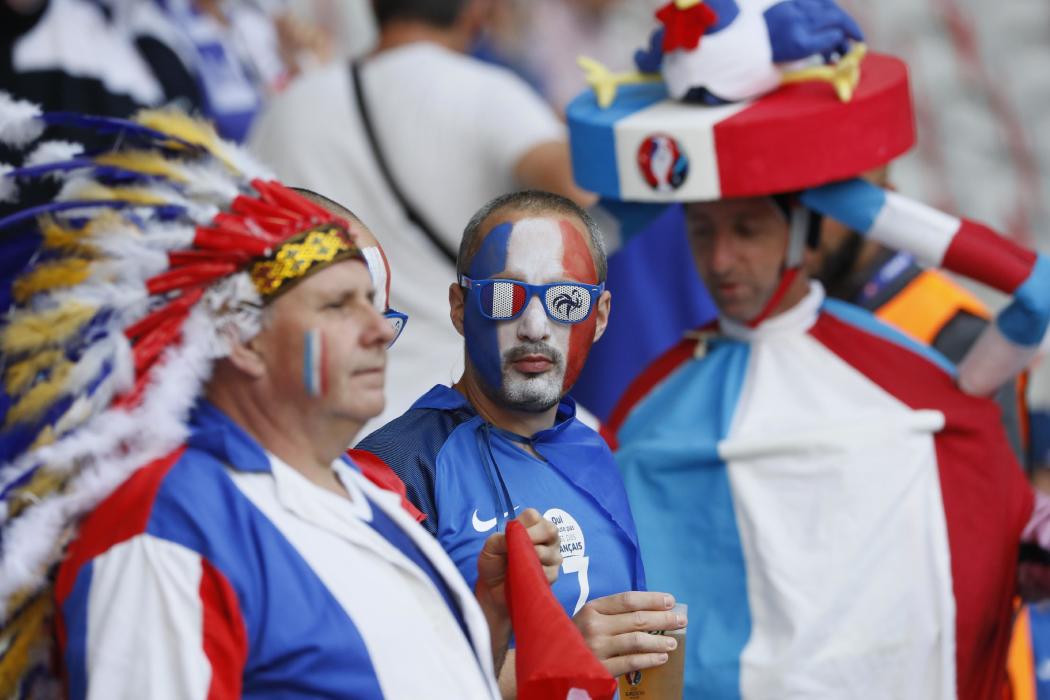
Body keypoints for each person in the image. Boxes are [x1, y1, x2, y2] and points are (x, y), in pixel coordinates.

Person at [566, 4, 1050, 697]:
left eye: (748, 230)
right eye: (700, 232)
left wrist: (850, 199)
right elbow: (533, 276)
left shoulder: (919, 378)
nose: (722, 260)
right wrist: (658, 187)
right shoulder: (651, 404)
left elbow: (1035, 293)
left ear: (805, 234)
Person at [0, 102, 562, 698]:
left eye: (377, 309)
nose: (378, 333)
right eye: (338, 306)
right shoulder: (167, 526)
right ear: (240, 334)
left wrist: (487, 616)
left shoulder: (367, 494)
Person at [355, 190, 685, 696]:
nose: (535, 327)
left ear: (598, 318)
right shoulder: (393, 470)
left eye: (566, 301)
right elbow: (371, 677)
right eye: (504, 297)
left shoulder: (590, 446)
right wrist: (559, 659)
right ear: (460, 308)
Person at [248, 0, 591, 431]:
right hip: (458, 417)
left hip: (321, 412)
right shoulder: (486, 93)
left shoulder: (289, 107)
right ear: (475, 11)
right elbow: (577, 188)